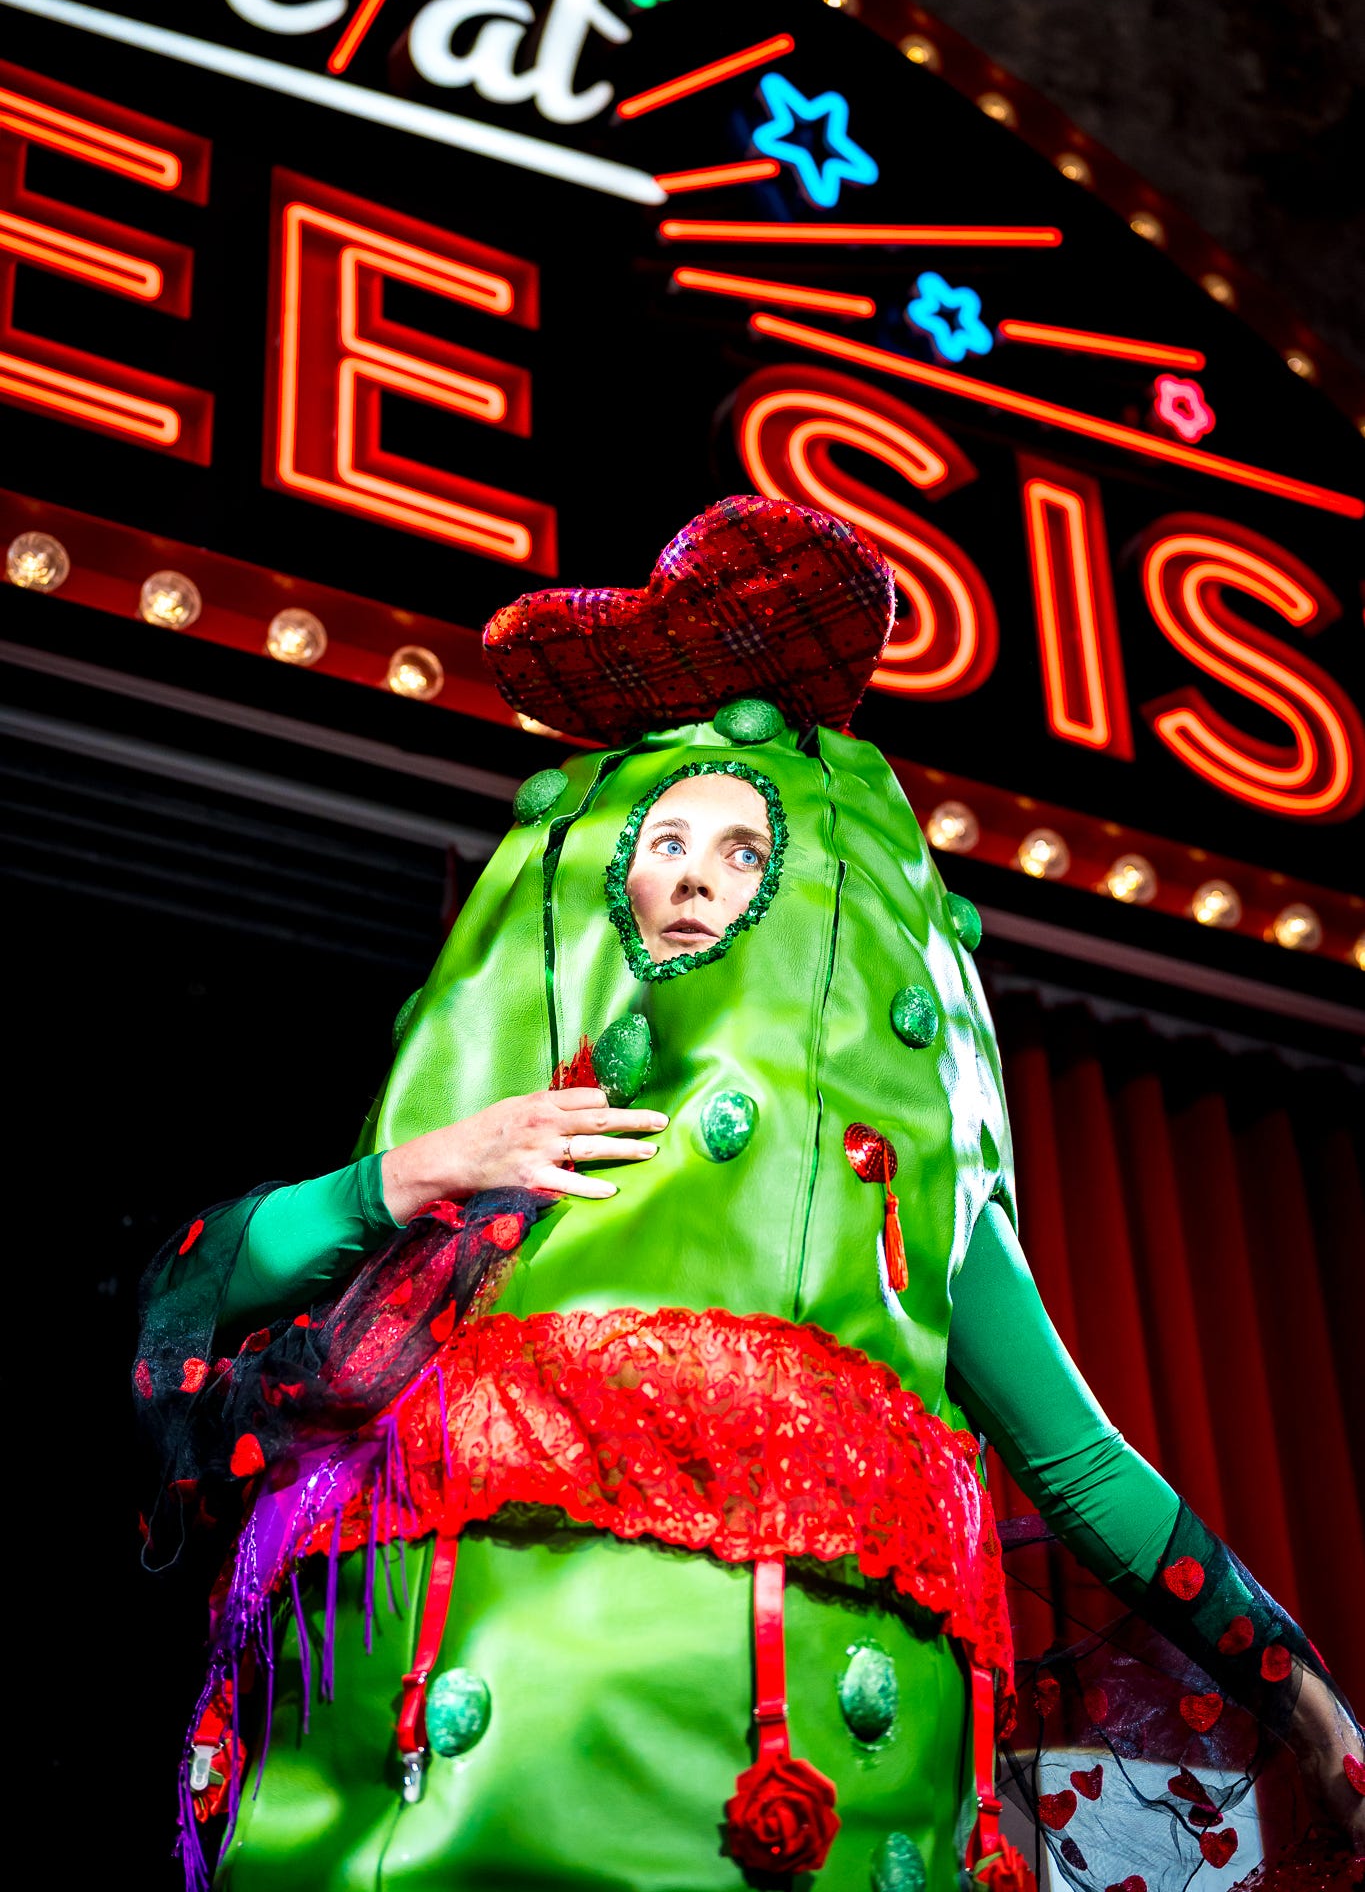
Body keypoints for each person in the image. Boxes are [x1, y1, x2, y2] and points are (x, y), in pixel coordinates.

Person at [136, 495, 1363, 1892]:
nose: (692, 884)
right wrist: (412, 1172)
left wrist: (1303, 1697)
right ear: (600, 872)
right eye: (663, 841)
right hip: (440, 1782)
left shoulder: (899, 1185)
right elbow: (193, 1290)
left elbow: (1080, 1463)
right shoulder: (509, 1145)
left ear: (817, 896)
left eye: (741, 851)